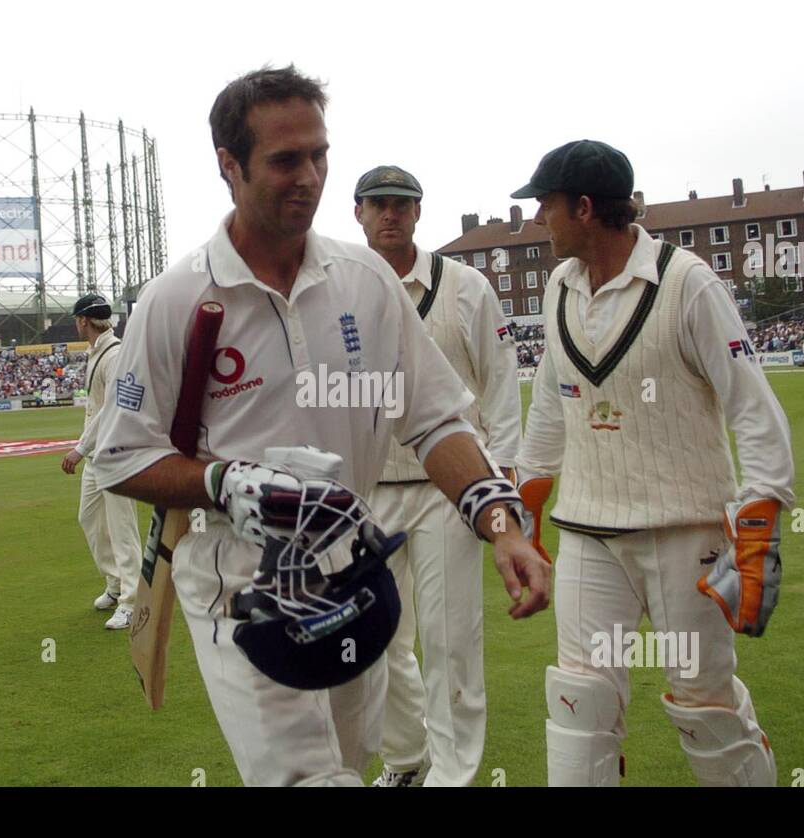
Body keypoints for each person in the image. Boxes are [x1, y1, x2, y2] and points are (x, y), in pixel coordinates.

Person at [89, 65, 550, 787]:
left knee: (347, 765)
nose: (308, 177)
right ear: (228, 165)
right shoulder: (178, 299)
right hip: (239, 585)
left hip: (351, 575)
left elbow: (435, 420)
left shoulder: (364, 282)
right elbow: (118, 457)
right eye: (284, 160)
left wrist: (502, 521)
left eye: (319, 155)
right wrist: (224, 480)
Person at [511, 140, 795, 786]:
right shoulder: (559, 287)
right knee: (579, 704)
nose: (537, 219)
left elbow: (752, 406)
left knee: (706, 708)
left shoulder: (687, 282)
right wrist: (527, 499)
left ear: (584, 208)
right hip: (587, 530)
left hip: (684, 530)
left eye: (545, 205)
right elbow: (554, 406)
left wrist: (759, 517)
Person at [354, 165, 521, 787]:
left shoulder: (465, 286)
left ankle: (454, 776)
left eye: (402, 204)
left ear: (419, 213)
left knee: (450, 642)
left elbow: (500, 384)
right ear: (359, 213)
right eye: (379, 204)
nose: (390, 214)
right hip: (368, 494)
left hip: (449, 491)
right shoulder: (340, 288)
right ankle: (404, 759)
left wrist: (502, 480)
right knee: (379, 641)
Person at [60, 294, 143, 630]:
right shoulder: (96, 351)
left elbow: (113, 408)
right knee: (89, 519)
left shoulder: (116, 353)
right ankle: (114, 583)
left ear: (83, 320)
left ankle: (132, 601)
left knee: (123, 530)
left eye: (76, 320)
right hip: (98, 455)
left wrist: (79, 448)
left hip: (116, 454)